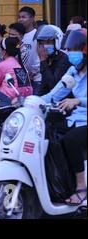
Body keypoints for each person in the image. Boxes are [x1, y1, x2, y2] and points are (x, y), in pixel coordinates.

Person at [41, 29, 87, 206]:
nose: (72, 54)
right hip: (75, 120)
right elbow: (54, 95)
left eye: (76, 49)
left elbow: (76, 100)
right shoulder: (73, 71)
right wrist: (26, 101)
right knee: (48, 133)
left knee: (71, 140)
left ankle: (82, 188)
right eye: (70, 49)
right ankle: (59, 183)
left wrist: (77, 101)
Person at [36, 25, 71, 95]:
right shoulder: (47, 59)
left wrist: (42, 61)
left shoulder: (63, 59)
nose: (45, 46)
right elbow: (44, 85)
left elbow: (54, 86)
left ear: (56, 42)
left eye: (48, 42)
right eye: (42, 43)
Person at [18, 6, 41, 94]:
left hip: (37, 79)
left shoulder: (37, 35)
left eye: (24, 17)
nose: (20, 19)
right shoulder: (20, 36)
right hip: (24, 80)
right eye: (19, 17)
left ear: (32, 19)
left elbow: (42, 55)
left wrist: (34, 71)